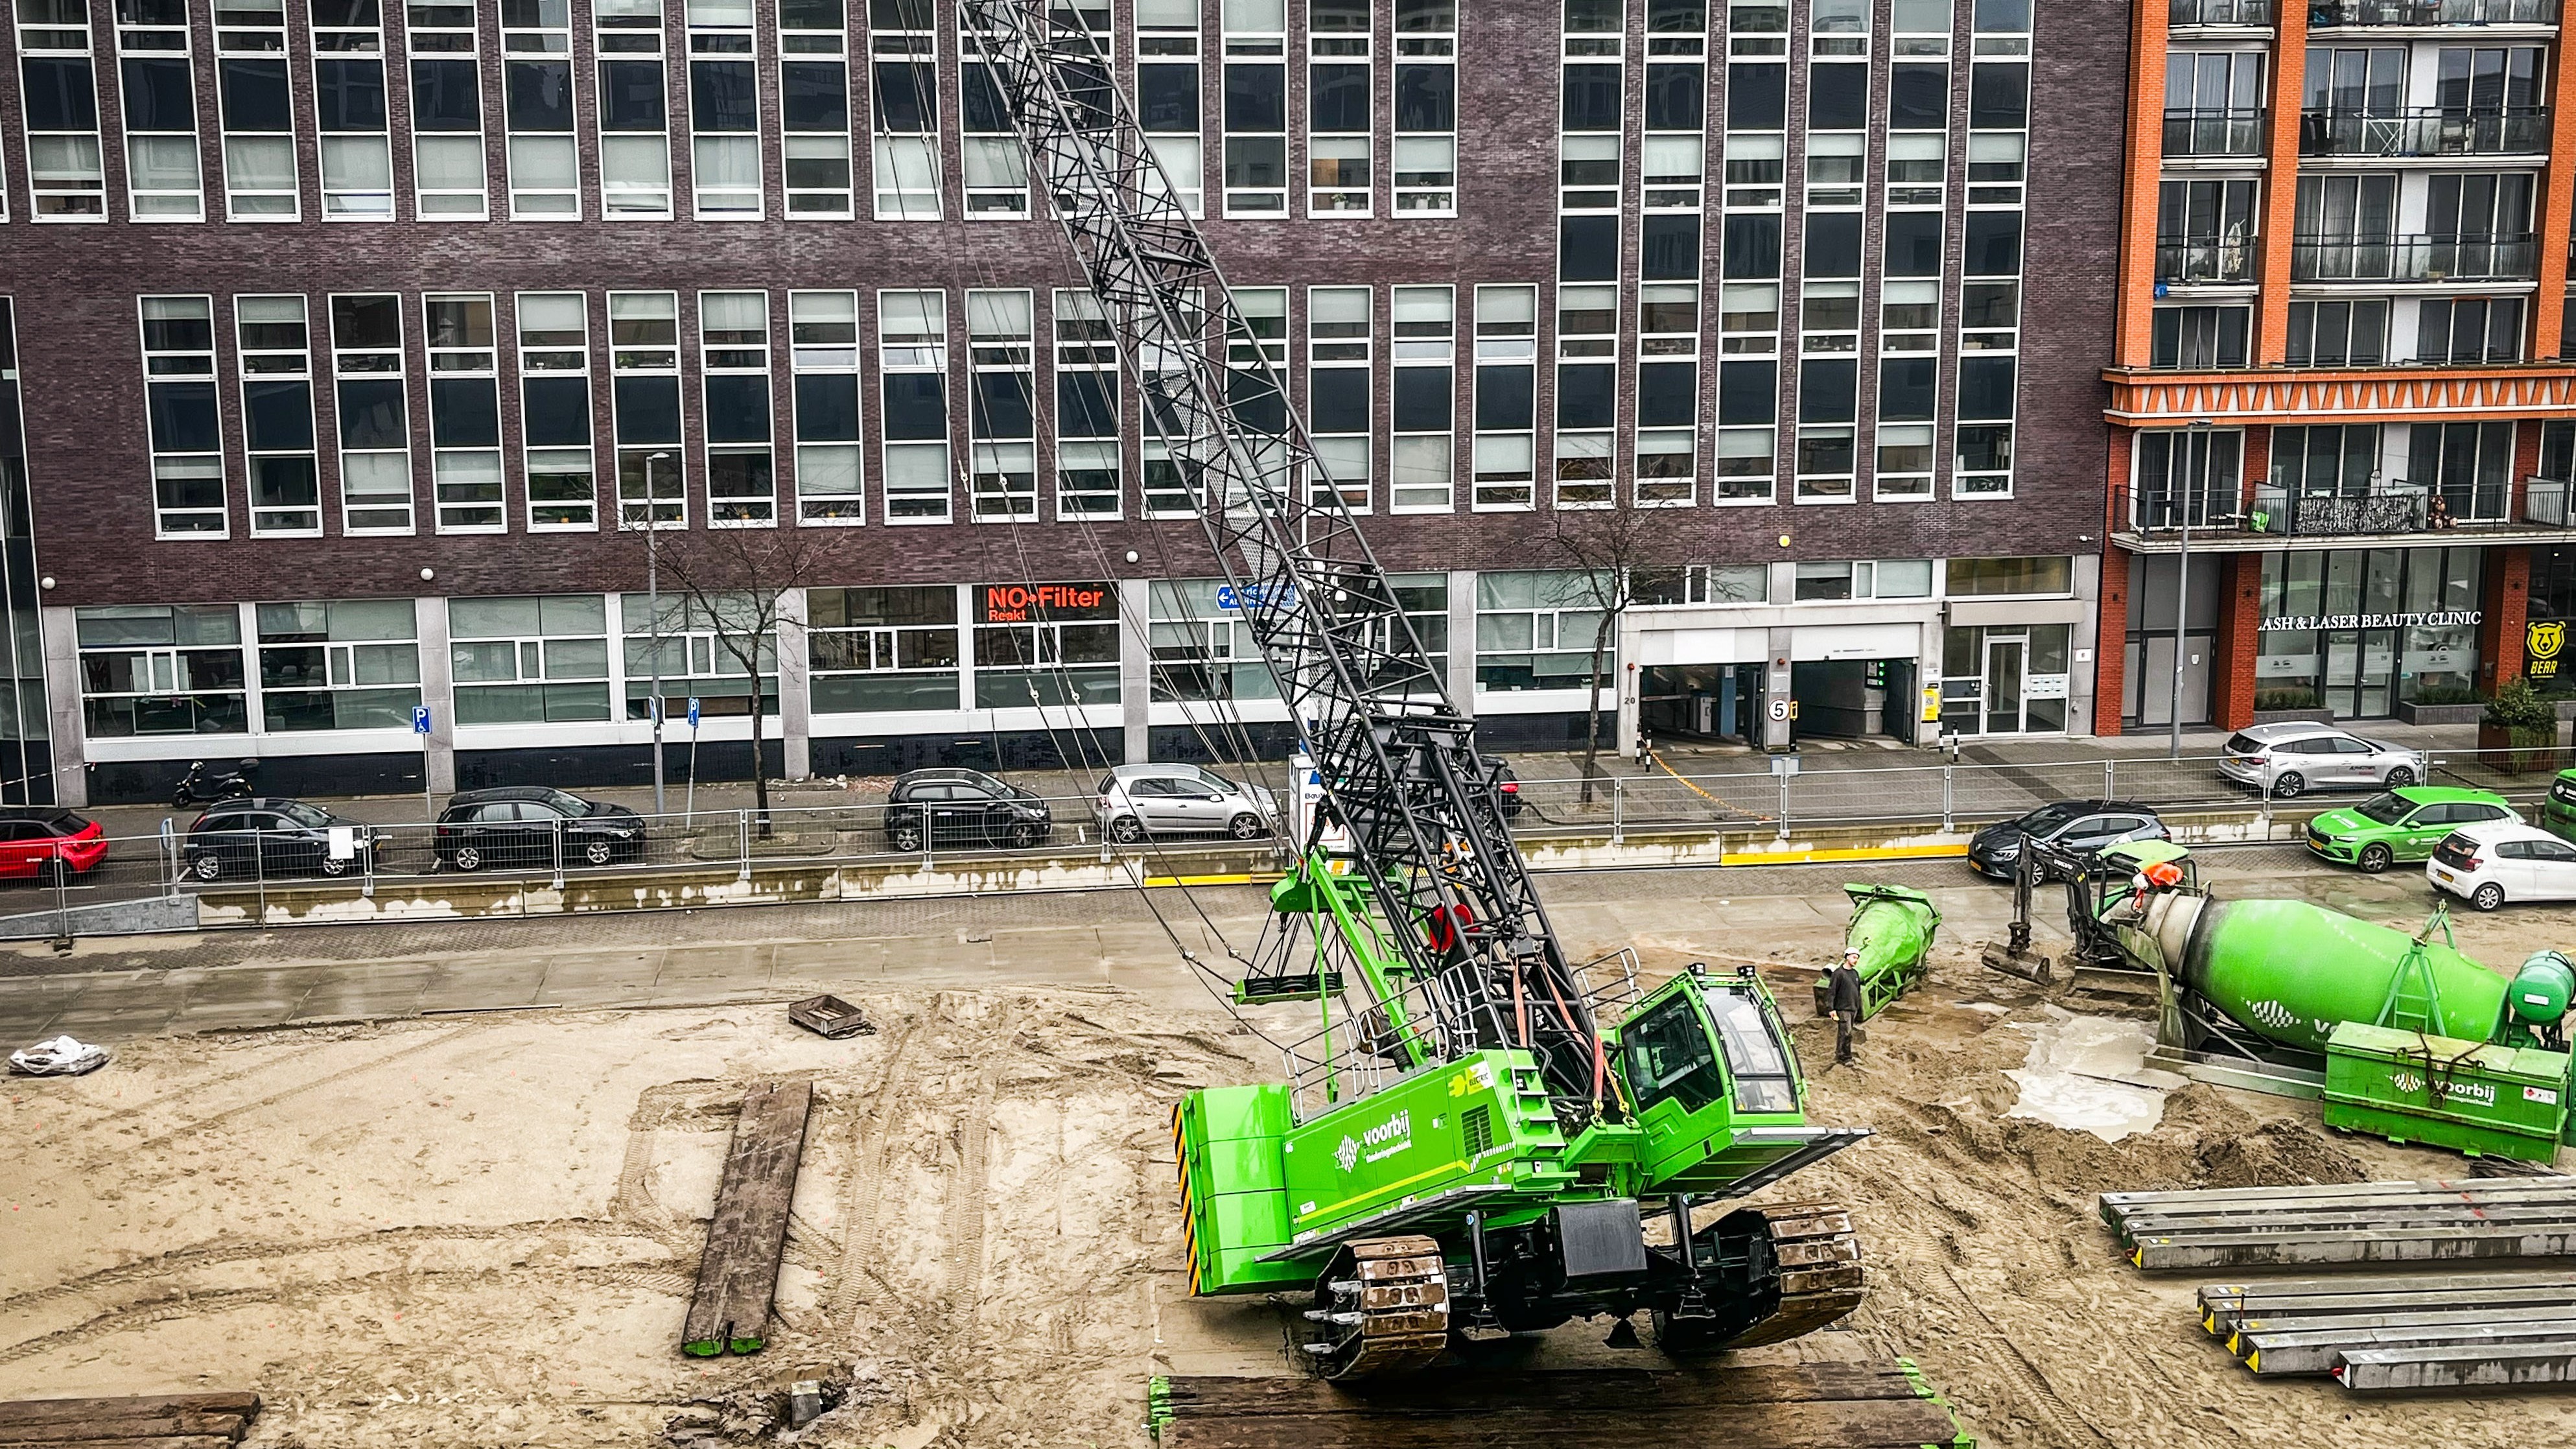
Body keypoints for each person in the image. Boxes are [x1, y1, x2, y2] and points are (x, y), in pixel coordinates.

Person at [1827, 949, 1864, 1066]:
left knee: (1846, 1032)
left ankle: (1841, 1054)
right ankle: (1845, 1057)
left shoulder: (1855, 974)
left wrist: (1858, 1007)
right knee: (1846, 1033)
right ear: (1847, 957)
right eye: (1854, 957)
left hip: (1853, 1008)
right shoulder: (1838, 974)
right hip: (1843, 1008)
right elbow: (1832, 992)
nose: (1856, 960)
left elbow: (1857, 991)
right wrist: (1831, 1009)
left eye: (1857, 958)